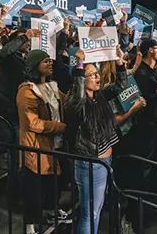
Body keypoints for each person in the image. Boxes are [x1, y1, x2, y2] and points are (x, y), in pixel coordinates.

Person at [65, 48, 125, 234]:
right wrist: (79, 66)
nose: (97, 77)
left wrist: (120, 62)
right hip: (90, 163)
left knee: (96, 210)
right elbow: (78, 93)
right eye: (92, 75)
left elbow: (120, 87)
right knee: (89, 213)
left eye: (97, 73)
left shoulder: (99, 96)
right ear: (83, 79)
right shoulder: (77, 102)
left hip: (105, 161)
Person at [17, 49, 69, 234]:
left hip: (54, 145)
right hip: (35, 148)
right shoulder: (26, 91)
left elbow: (67, 101)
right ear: (34, 66)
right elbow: (32, 122)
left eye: (50, 61)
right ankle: (30, 226)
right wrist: (59, 127)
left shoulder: (51, 86)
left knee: (53, 184)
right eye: (45, 61)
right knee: (34, 192)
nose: (50, 64)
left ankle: (51, 212)